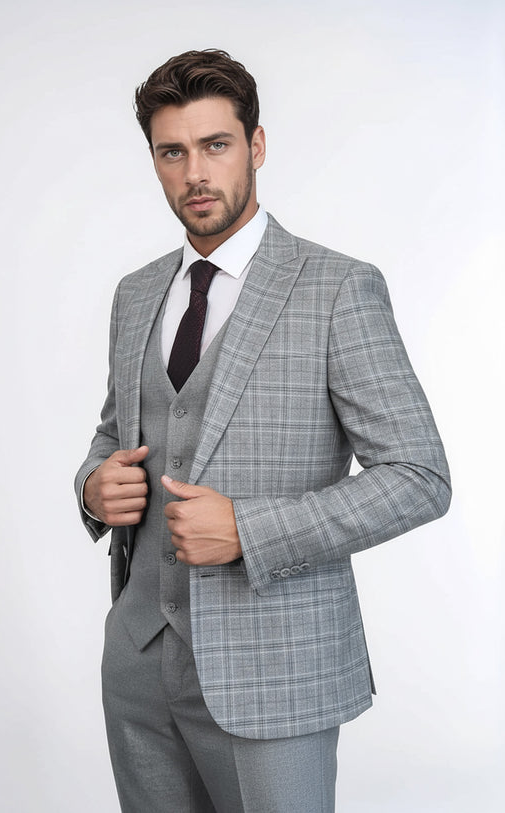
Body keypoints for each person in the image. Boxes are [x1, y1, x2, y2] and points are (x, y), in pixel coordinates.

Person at [75, 49, 451, 813]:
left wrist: (249, 530)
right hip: (138, 666)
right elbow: (116, 430)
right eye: (172, 152)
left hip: (275, 670)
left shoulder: (338, 288)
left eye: (215, 145)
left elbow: (419, 477)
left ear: (256, 146)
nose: (194, 173)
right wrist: (93, 485)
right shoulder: (136, 293)